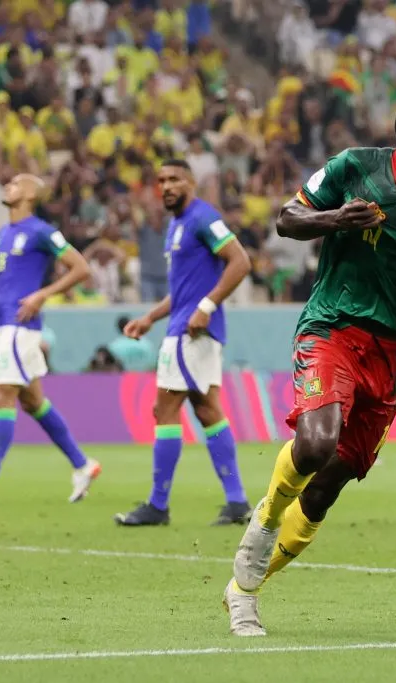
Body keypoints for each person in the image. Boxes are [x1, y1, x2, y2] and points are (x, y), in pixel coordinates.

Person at [223, 96, 396, 636]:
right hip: (332, 327)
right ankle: (265, 521)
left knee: (324, 489)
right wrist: (334, 219)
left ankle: (243, 590)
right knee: (316, 444)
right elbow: (286, 219)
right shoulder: (355, 168)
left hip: (390, 355)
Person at [113, 159, 254, 528]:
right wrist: (149, 318)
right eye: (161, 181)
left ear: (191, 182)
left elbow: (240, 261)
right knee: (207, 410)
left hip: (191, 332)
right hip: (185, 326)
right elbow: (182, 291)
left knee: (165, 409)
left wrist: (206, 307)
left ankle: (158, 505)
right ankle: (237, 502)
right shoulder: (176, 225)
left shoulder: (202, 218)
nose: (167, 186)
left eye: (174, 179)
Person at [0, 174, 102, 505]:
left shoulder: (42, 231)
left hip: (20, 325)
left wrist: (41, 296)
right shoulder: (5, 233)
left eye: (17, 183)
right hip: (4, 324)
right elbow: (4, 278)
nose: (8, 185)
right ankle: (82, 464)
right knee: (33, 401)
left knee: (3, 395)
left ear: (32, 194)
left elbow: (81, 268)